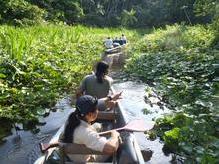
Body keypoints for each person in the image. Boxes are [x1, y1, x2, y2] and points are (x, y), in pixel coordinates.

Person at [40, 95, 120, 163]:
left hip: (71, 155)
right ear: (90, 114)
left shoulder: (72, 117)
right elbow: (111, 148)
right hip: (85, 160)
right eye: (97, 109)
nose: (98, 110)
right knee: (116, 144)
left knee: (97, 126)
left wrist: (109, 98)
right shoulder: (86, 133)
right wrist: (114, 135)